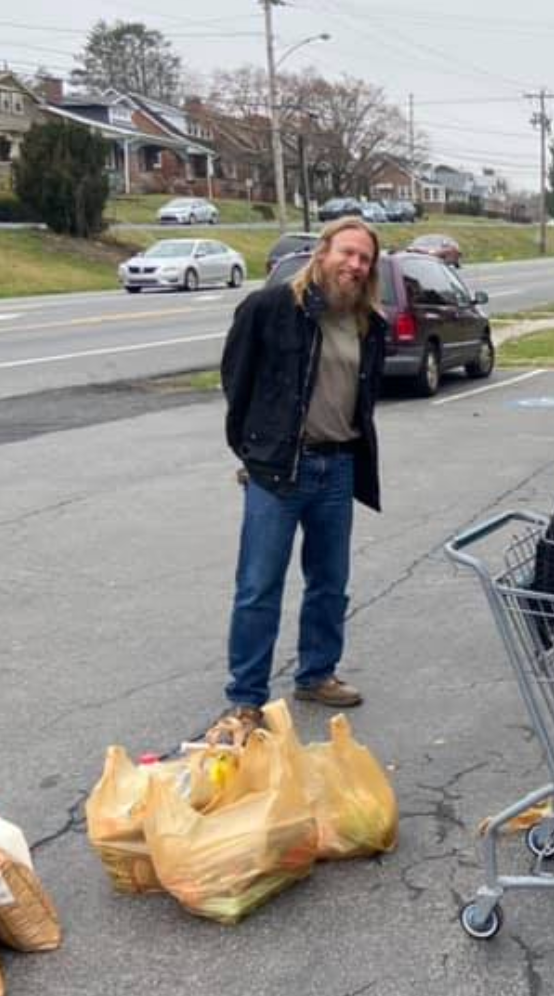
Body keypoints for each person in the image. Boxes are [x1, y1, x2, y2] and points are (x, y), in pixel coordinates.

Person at [216, 216, 387, 728]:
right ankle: (246, 697)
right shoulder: (271, 308)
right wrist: (253, 449)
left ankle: (317, 674)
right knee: (258, 587)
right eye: (348, 253)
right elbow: (236, 379)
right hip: (278, 472)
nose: (354, 265)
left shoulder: (366, 323)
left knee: (330, 583)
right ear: (323, 252)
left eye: (365, 259)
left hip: (337, 467)